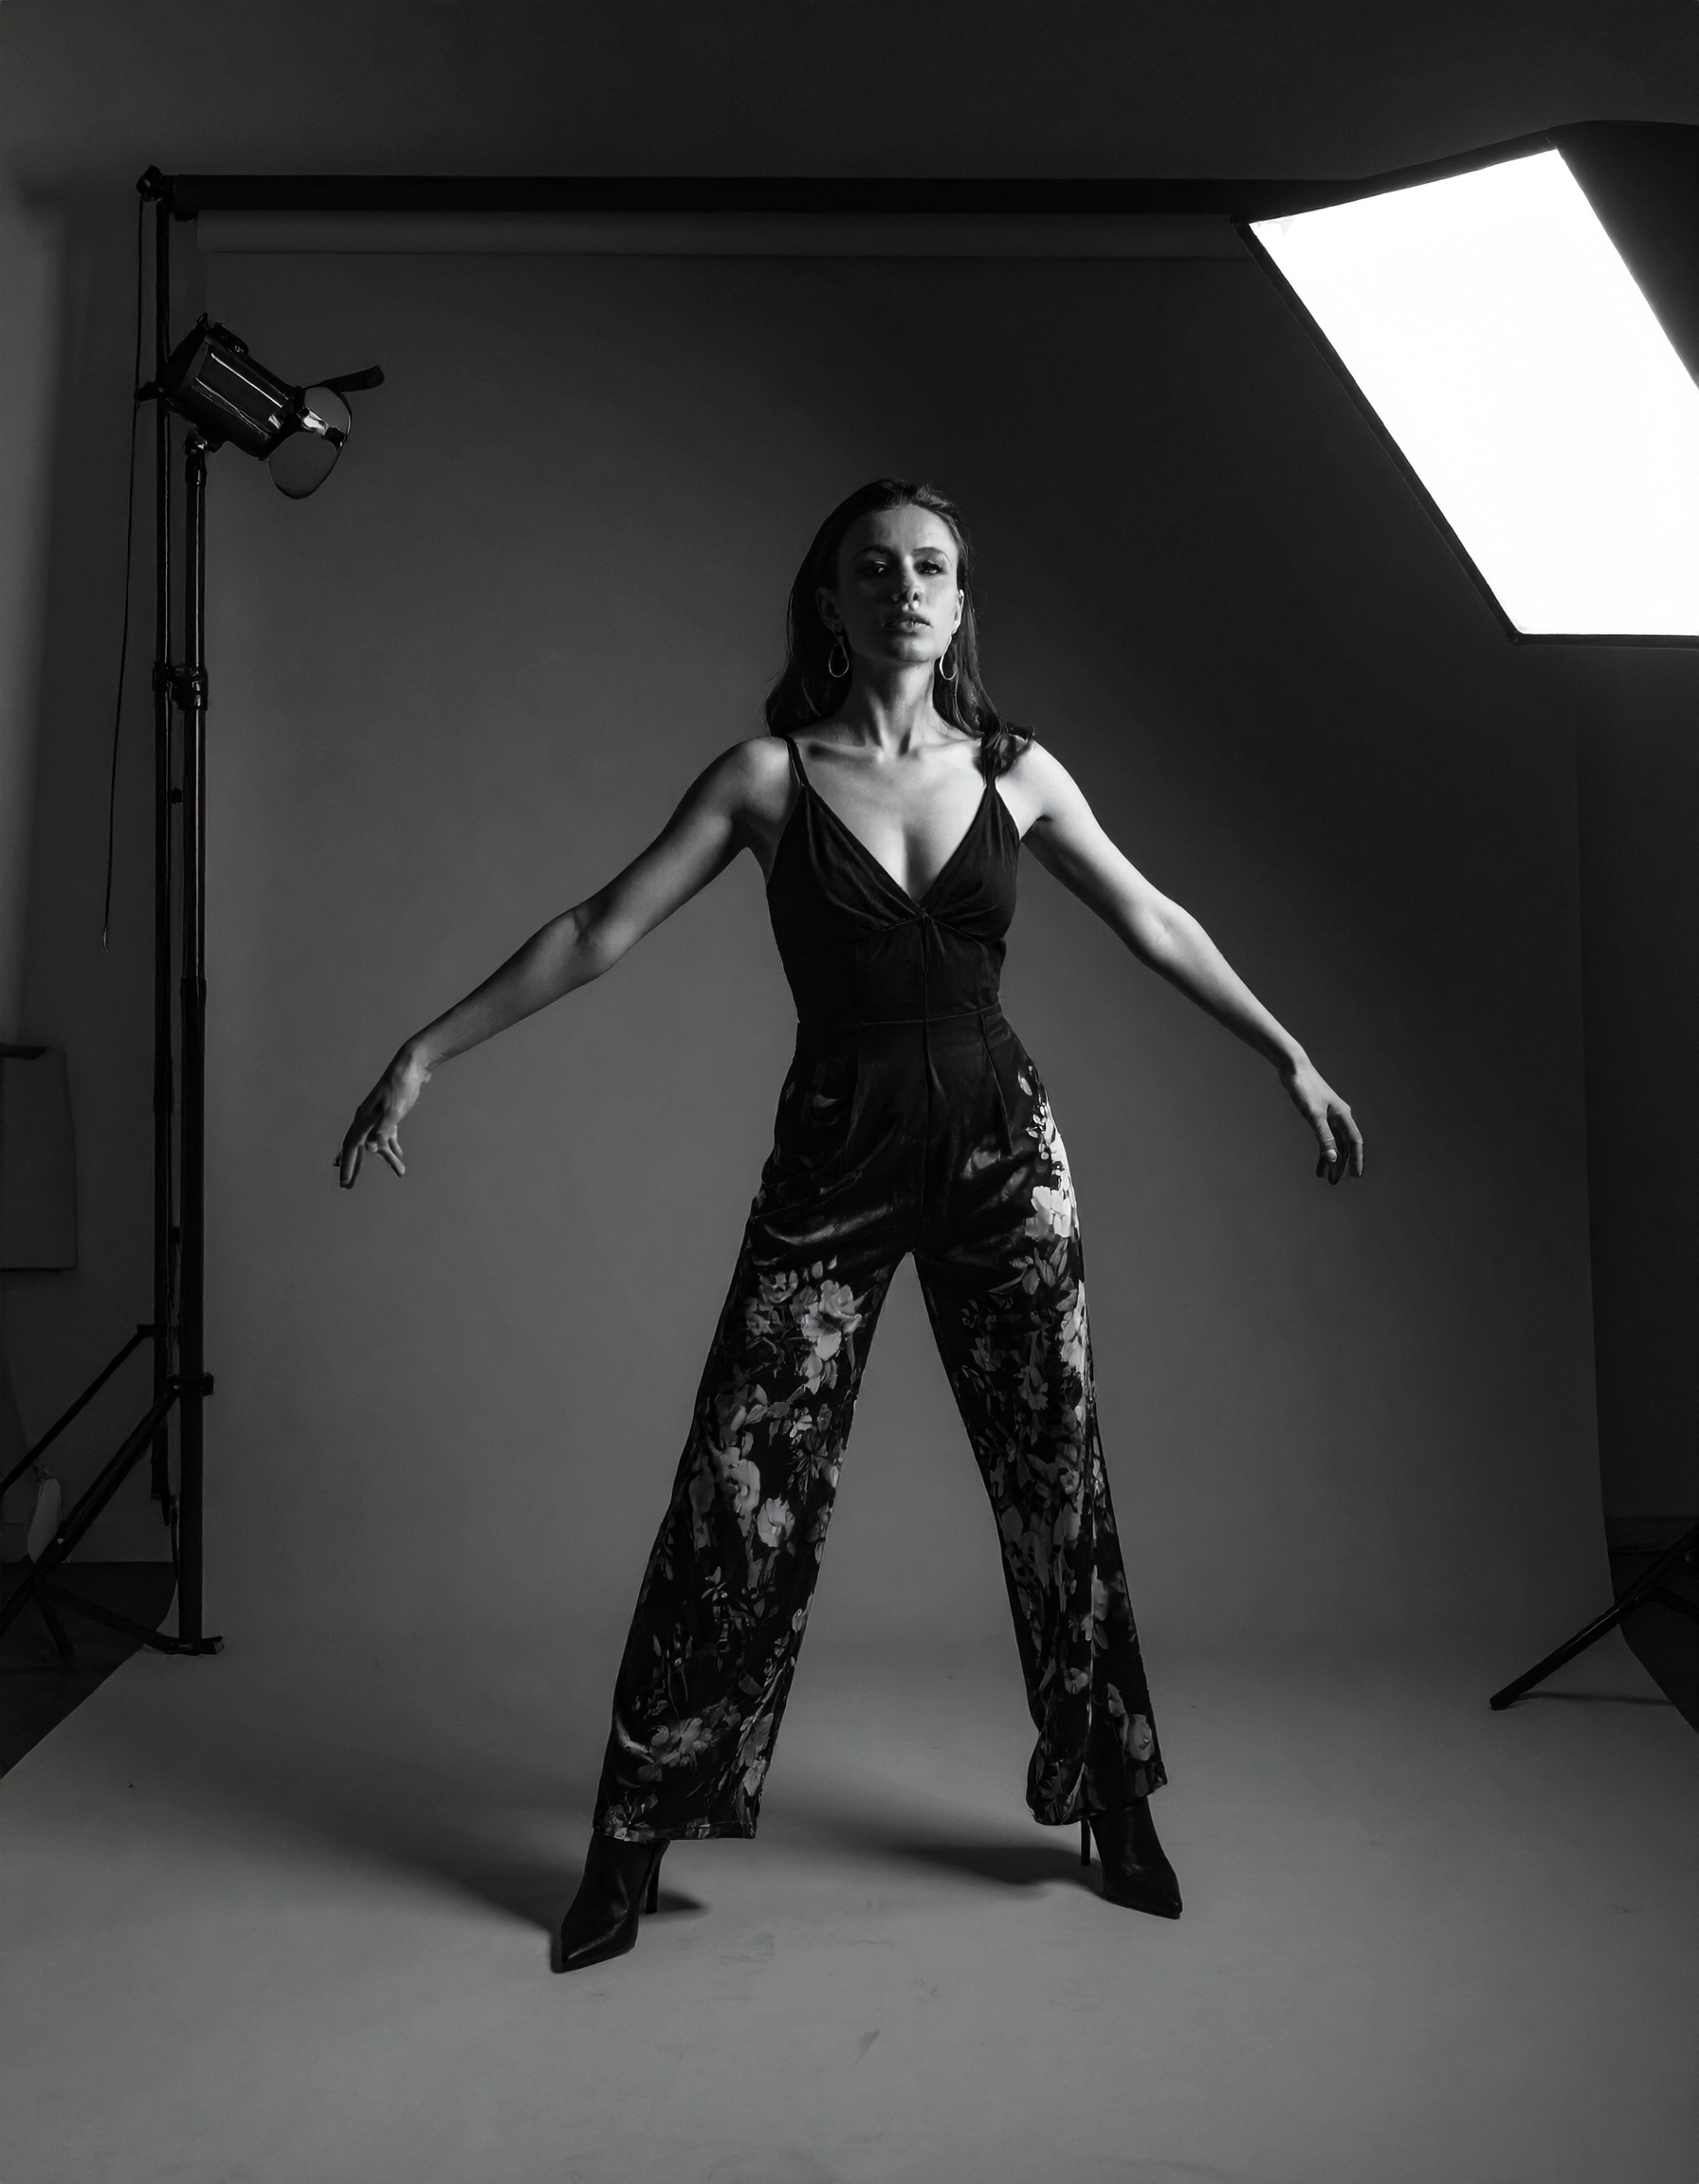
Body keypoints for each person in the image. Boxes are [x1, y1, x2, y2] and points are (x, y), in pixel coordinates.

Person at [338, 478, 1363, 1974]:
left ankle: (1116, 1798)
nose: (903, 586)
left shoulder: (1017, 774)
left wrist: (1288, 1051)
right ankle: (629, 1841)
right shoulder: (765, 780)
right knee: (734, 1491)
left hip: (1008, 1163)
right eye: (871, 567)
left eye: (930, 566)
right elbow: (593, 928)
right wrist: (424, 1052)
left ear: (961, 602)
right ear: (829, 599)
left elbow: (1156, 915)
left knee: (1056, 1477)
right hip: (833, 1172)